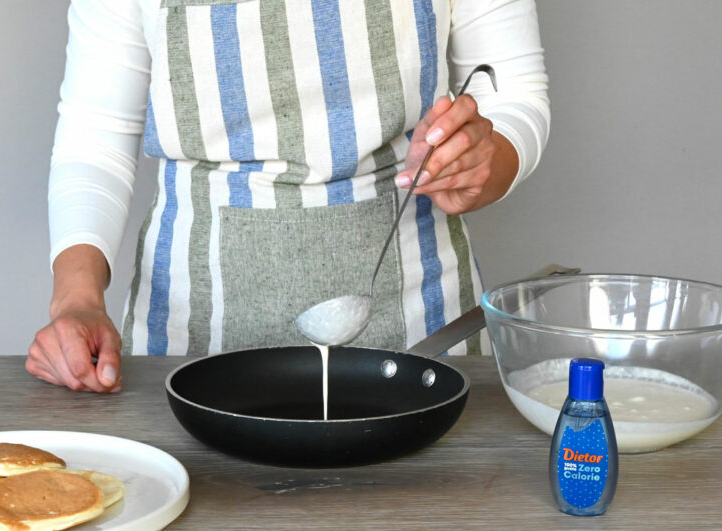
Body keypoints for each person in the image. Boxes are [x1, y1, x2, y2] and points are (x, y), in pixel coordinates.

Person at [27, 0, 549, 393]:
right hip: (190, 335)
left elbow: (515, 94)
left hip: (420, 327)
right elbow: (94, 138)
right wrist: (77, 300)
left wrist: (489, 158)